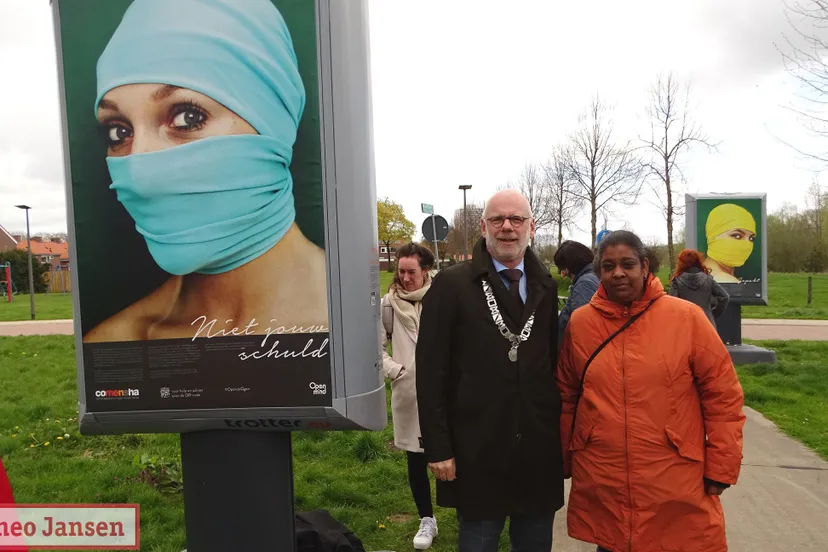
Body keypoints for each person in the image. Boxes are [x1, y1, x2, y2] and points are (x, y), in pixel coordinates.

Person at [84, 0, 327, 342]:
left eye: (187, 117)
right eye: (119, 132)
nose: (139, 173)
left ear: (274, 121)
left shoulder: (351, 317)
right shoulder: (116, 342)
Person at [557, 230, 746, 552]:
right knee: (613, 542)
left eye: (628, 264)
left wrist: (721, 466)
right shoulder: (581, 323)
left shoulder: (686, 318)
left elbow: (723, 396)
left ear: (645, 267)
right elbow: (567, 396)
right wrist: (563, 459)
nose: (618, 273)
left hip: (672, 477)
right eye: (608, 266)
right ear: (599, 271)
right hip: (604, 477)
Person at [416, 189, 564, 552]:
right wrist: (438, 446)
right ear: (483, 227)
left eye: (516, 219)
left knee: (534, 544)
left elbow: (550, 363)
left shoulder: (545, 285)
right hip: (477, 447)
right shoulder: (452, 285)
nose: (507, 227)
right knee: (478, 543)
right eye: (497, 219)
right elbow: (431, 372)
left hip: (536, 448)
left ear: (532, 226)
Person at [379, 242, 439, 550]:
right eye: (401, 271)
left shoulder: (443, 297)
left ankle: (468, 514)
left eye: (411, 272)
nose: (405, 278)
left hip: (444, 392)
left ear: (425, 270)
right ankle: (427, 519)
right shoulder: (388, 304)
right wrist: (396, 371)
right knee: (416, 461)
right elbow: (375, 348)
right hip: (410, 392)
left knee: (455, 455)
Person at [669, 248, 730, 328]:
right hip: (707, 324)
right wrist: (713, 314)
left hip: (685, 325)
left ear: (681, 262)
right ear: (698, 261)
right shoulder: (708, 279)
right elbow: (724, 297)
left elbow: (672, 304)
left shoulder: (677, 281)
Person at [554, 240, 600, 342]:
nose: (563, 274)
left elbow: (582, 328)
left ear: (569, 267)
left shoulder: (585, 284)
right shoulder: (593, 276)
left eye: (562, 268)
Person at [704, 203, 756, 283]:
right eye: (737, 236)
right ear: (712, 235)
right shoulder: (726, 280)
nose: (747, 245)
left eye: (751, 238)